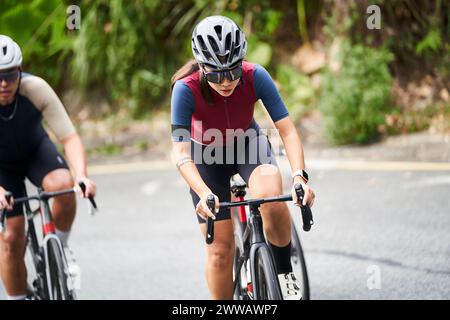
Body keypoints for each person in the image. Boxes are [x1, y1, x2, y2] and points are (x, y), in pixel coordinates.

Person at [170, 16, 315, 300]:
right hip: (205, 157)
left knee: (272, 197)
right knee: (220, 253)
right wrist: (202, 193)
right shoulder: (184, 89)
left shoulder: (255, 75)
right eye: (215, 75)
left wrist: (299, 176)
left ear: (242, 63)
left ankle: (284, 272)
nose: (226, 82)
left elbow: (288, 131)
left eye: (232, 72)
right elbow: (181, 153)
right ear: (201, 67)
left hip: (248, 145)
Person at [0, 35, 96, 300]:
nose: (4, 84)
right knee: (11, 240)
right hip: (1, 169)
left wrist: (82, 176)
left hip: (34, 151)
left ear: (19, 71)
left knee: (64, 187)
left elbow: (69, 138)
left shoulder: (35, 88)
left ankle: (58, 249)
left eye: (10, 75)